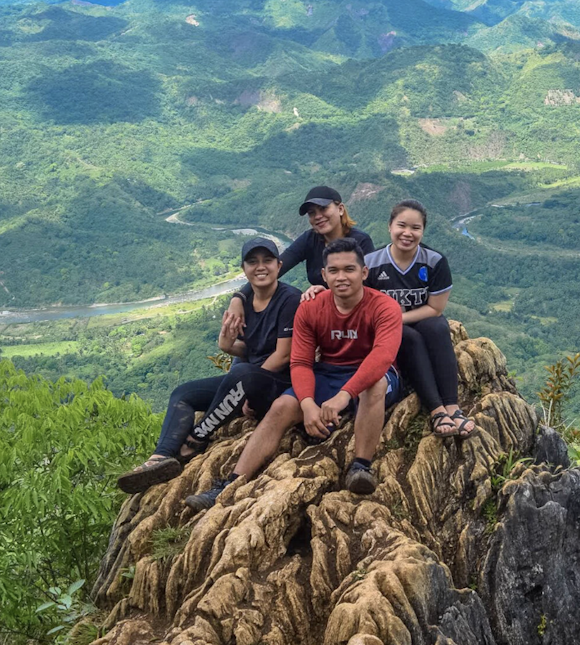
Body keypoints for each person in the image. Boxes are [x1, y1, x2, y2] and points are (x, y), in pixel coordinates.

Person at [185, 237, 403, 510]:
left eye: (349, 269)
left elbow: (382, 357)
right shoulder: (311, 308)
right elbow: (300, 362)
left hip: (371, 374)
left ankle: (361, 467)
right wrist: (307, 404)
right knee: (282, 406)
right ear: (323, 275)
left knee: (375, 386)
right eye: (333, 271)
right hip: (329, 372)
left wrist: (345, 396)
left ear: (364, 272)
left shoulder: (384, 307)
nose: (341, 277)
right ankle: (231, 483)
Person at [117, 237, 301, 494]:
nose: (261, 267)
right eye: (252, 262)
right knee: (183, 394)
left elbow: (283, 355)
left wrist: (251, 386)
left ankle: (195, 440)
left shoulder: (290, 299)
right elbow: (252, 349)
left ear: (279, 266)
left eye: (267, 261)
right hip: (247, 381)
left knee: (242, 373)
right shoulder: (245, 304)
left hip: (278, 384)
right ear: (244, 269)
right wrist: (227, 346)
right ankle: (161, 457)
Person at [364, 200, 474, 439]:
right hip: (386, 328)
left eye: (415, 228)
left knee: (437, 327)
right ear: (389, 227)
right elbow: (354, 297)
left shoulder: (434, 261)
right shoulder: (370, 263)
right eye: (401, 225)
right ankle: (436, 409)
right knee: (409, 337)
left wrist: (398, 317)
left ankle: (452, 406)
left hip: (419, 317)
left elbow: (435, 308)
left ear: (422, 231)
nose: (407, 233)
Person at [222, 186, 374, 332]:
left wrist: (327, 293)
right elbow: (275, 269)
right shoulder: (310, 239)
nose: (318, 216)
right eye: (312, 213)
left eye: (323, 209)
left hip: (354, 315)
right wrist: (239, 297)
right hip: (322, 315)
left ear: (340, 209)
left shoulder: (360, 241)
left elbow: (367, 286)